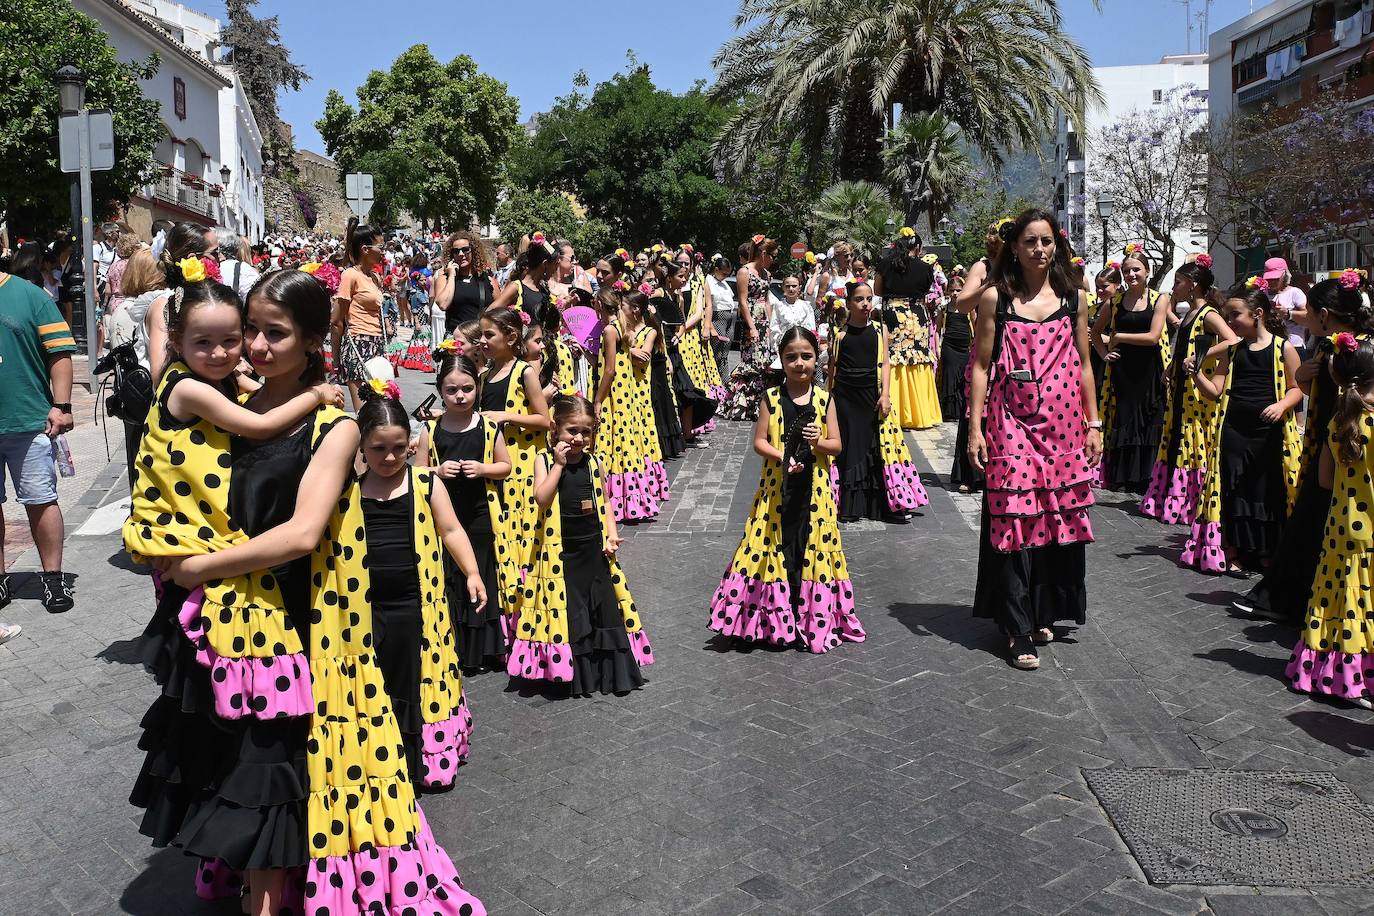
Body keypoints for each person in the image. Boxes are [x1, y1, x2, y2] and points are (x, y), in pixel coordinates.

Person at [141, 269, 485, 916]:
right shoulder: (234, 399)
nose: (258, 347)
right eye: (252, 331)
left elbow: (301, 535)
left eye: (277, 333)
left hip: (293, 634)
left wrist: (200, 568)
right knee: (241, 782)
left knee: (269, 786)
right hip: (220, 631)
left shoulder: (336, 426)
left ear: (310, 339)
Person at [968, 210, 1099, 671]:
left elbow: (1085, 363)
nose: (1040, 250)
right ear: (1015, 248)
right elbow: (981, 367)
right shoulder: (994, 299)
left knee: (1053, 517)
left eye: (1046, 241)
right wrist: (974, 427)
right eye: (1030, 242)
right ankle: (1017, 625)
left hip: (1063, 427)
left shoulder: (1075, 297)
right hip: (1010, 423)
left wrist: (1094, 422)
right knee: (1014, 521)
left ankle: (1045, 610)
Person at [355, 393, 480, 791]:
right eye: (378, 449)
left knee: (418, 677)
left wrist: (472, 572)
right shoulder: (349, 490)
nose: (390, 458)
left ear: (411, 442)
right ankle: (383, 754)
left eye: (398, 448)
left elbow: (452, 530)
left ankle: (424, 757)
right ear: (361, 446)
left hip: (418, 604)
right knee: (380, 680)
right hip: (368, 607)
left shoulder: (425, 482)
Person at [709, 327, 862, 652]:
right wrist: (784, 456)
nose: (799, 363)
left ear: (816, 359)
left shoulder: (825, 399)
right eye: (791, 357)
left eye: (806, 356)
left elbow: (836, 445)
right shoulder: (771, 398)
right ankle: (768, 619)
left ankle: (810, 617)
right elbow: (759, 442)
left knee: (808, 546)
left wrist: (816, 442)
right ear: (781, 360)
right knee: (771, 545)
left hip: (815, 492)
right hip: (777, 489)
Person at [1239, 275, 1374, 621]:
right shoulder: (1335, 346)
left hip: (1340, 453)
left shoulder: (1347, 350)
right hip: (1331, 450)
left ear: (1324, 315)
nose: (1306, 318)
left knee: (1311, 529)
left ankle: (1291, 602)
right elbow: (1308, 388)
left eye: (1309, 313)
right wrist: (1304, 377)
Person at [508, 396, 653, 694]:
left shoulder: (594, 462)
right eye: (572, 430)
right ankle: (574, 674)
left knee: (603, 609)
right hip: (560, 554)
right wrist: (558, 466)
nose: (579, 438)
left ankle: (608, 674)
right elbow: (542, 497)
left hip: (593, 550)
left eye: (586, 432)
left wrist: (611, 534)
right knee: (570, 611)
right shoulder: (544, 460)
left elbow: (606, 502)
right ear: (555, 429)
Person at [1181, 282, 1302, 575]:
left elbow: (1297, 389)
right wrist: (1195, 375)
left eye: (1235, 315)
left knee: (1265, 490)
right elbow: (1215, 392)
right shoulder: (1232, 351)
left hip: (1268, 433)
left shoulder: (1282, 348)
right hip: (1233, 430)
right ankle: (1233, 551)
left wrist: (1282, 405)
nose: (1230, 322)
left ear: (1257, 314)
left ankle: (1264, 550)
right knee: (1234, 489)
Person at [1286, 334, 1374, 710]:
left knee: (1334, 598)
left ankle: (1325, 668)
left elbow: (1323, 480)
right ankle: (1359, 679)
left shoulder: (1339, 420)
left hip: (1340, 525)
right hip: (1370, 530)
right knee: (1362, 601)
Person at [419, 351, 514, 673]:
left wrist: (484, 468)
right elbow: (417, 474)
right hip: (445, 518)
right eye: (451, 390)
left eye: (467, 389)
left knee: (483, 574)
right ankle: (457, 645)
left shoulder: (488, 427)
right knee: (453, 577)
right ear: (440, 390)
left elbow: (506, 466)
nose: (460, 396)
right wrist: (438, 470)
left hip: (480, 514)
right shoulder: (430, 431)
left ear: (477, 388)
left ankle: (486, 648)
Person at [0, 269, 77, 614]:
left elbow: (59, 354)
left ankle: (53, 577)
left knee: (41, 499)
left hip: (28, 421)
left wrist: (61, 406)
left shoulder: (30, 296)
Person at [1140, 257, 1236, 524]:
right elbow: (1181, 347)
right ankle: (1174, 498)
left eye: (1179, 282)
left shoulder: (1209, 315)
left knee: (1192, 442)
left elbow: (1232, 339)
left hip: (1197, 392)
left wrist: (1201, 357)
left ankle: (1191, 501)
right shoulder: (1188, 314)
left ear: (1192, 285)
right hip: (1181, 386)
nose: (1175, 288)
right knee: (1177, 438)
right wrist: (1171, 368)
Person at [828, 279, 928, 523]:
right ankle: (849, 504)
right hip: (845, 396)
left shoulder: (878, 329)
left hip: (871, 394)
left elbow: (885, 364)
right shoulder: (840, 333)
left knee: (875, 446)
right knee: (850, 445)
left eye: (868, 299)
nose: (865, 304)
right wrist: (828, 399)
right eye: (859, 299)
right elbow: (832, 369)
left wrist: (885, 395)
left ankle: (881, 503)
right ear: (849, 303)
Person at [479, 307, 553, 583]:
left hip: (523, 464)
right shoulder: (484, 376)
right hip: (496, 463)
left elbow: (545, 420)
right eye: (481, 335)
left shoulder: (524, 372)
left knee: (522, 524)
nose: (482, 341)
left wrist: (508, 416)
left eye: (489, 335)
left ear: (510, 338)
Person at [1091, 245, 1169, 493]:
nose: (1131, 275)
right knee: (1125, 418)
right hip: (1123, 369)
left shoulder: (1160, 298)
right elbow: (1093, 333)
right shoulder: (1114, 302)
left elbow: (1154, 337)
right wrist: (1105, 355)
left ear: (1147, 271)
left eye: (1136, 270)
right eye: (1127, 271)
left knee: (1149, 418)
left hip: (1150, 368)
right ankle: (1124, 476)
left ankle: (1147, 476)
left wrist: (1119, 336)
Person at [593, 289, 666, 521]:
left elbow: (609, 369)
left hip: (614, 392)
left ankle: (613, 497)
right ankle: (631, 497)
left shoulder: (609, 329)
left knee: (610, 440)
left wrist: (597, 399)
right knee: (625, 441)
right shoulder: (621, 328)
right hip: (626, 391)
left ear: (599, 306)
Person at [874, 230, 943, 429]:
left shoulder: (886, 264)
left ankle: (895, 408)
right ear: (918, 248)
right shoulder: (925, 267)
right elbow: (926, 289)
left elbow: (878, 290)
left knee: (893, 357)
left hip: (893, 314)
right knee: (918, 357)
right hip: (917, 314)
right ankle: (919, 412)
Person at [332, 217, 387, 411]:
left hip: (377, 344)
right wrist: (336, 359)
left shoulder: (375, 278)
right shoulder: (350, 276)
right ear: (365, 249)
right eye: (381, 247)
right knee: (365, 411)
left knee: (380, 408)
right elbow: (337, 321)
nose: (383, 251)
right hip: (358, 343)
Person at [721, 237, 776, 420]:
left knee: (764, 362)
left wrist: (770, 324)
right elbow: (743, 302)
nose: (773, 260)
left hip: (764, 321)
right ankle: (742, 403)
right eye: (772, 256)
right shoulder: (744, 272)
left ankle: (759, 405)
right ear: (763, 253)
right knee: (751, 360)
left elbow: (767, 300)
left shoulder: (766, 273)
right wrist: (752, 327)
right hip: (750, 320)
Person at [432, 231, 496, 339]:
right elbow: (443, 304)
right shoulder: (444, 278)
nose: (461, 254)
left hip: (481, 340)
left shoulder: (487, 279)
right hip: (457, 340)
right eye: (456, 251)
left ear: (474, 251)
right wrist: (452, 275)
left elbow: (500, 308)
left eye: (466, 250)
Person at [492, 232, 557, 322]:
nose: (556, 269)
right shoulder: (516, 287)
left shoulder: (543, 290)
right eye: (555, 264)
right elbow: (490, 313)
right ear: (545, 264)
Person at [768, 274, 816, 378]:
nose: (791, 289)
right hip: (785, 345)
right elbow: (774, 327)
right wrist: (777, 346)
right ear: (783, 287)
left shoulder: (806, 306)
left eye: (794, 286)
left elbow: (811, 327)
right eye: (788, 286)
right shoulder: (778, 306)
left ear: (799, 287)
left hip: (802, 345)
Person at [704, 254, 737, 382]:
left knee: (725, 351)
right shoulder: (709, 281)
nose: (725, 277)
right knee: (717, 350)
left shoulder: (724, 284)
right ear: (716, 270)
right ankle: (715, 379)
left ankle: (724, 378)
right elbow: (709, 304)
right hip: (718, 317)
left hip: (730, 316)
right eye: (724, 274)